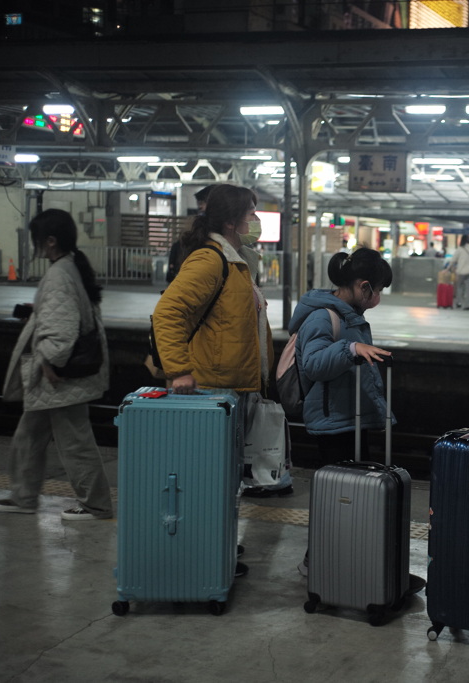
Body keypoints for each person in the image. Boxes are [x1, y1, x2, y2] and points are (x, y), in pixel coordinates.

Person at [152, 184, 274, 575]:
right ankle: (204, 556)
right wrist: (179, 370)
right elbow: (167, 313)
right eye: (250, 214)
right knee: (210, 480)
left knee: (223, 481)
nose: (255, 221)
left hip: (234, 389)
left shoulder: (239, 260)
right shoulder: (211, 260)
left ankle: (216, 548)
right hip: (212, 390)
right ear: (230, 222)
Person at [0, 209, 114, 521]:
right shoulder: (70, 266)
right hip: (57, 376)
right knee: (29, 436)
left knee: (75, 441)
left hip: (59, 376)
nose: (35, 246)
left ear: (50, 241)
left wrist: (49, 361)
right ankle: (24, 496)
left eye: (36, 240)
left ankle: (95, 505)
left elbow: (62, 331)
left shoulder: (60, 273)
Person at [287, 247, 394, 576]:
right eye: (378, 291)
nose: (378, 298)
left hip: (350, 416)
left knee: (350, 495)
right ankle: (317, 561)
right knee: (337, 496)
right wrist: (350, 349)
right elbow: (314, 364)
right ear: (364, 287)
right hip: (333, 421)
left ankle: (342, 557)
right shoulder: (323, 316)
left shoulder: (349, 314)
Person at [167, 185, 217, 284]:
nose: (200, 207)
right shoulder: (199, 231)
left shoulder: (205, 231)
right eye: (199, 203)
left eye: (203, 203)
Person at [450, 234, 469, 311]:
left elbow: (453, 260)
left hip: (461, 272)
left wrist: (447, 269)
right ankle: (467, 305)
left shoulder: (459, 249)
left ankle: (458, 302)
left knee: (459, 287)